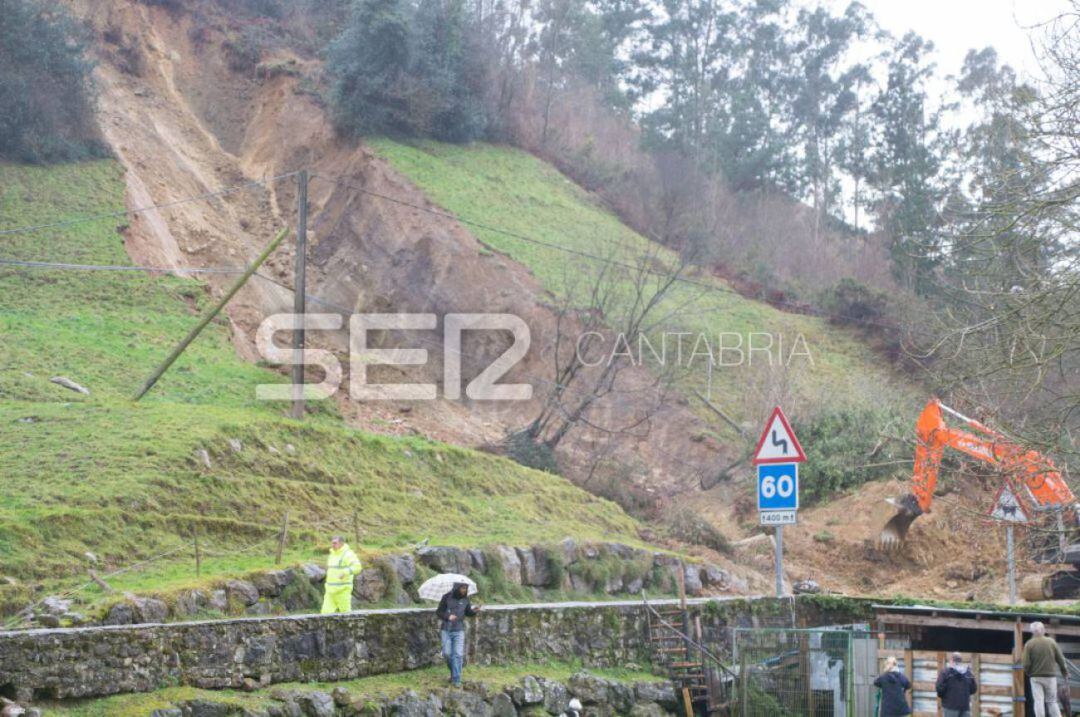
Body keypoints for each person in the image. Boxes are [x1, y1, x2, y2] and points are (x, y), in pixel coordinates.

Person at [435, 582, 480, 687]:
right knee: (447, 654)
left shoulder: (465, 599)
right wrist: (448, 617)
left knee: (458, 655)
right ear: (456, 587)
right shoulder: (446, 597)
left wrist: (475, 611)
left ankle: (456, 680)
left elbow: (468, 612)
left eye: (466, 588)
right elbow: (439, 612)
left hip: (459, 630)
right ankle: (454, 673)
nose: (464, 590)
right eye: (462, 588)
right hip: (446, 630)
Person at [1023, 621, 1069, 717]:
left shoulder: (1029, 644)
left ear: (1032, 632)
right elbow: (1060, 659)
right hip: (1050, 677)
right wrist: (1065, 672)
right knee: (1052, 701)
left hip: (1035, 677)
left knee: (1038, 701)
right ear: (1043, 630)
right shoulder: (1051, 642)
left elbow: (1026, 664)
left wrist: (1029, 673)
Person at [320, 535, 362, 614]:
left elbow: (357, 567)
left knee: (345, 614)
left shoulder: (348, 554)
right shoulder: (332, 555)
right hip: (330, 591)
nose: (333, 545)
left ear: (341, 543)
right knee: (324, 614)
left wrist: (345, 572)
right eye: (332, 543)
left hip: (342, 590)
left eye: (335, 543)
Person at [935, 652, 977, 717]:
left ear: (951, 660)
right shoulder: (968, 673)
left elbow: (939, 688)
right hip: (965, 706)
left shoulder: (946, 672)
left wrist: (945, 697)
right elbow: (973, 689)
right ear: (961, 660)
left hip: (950, 706)